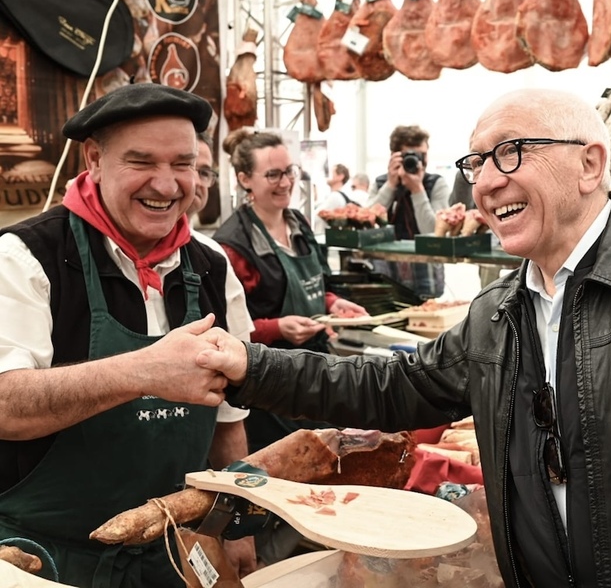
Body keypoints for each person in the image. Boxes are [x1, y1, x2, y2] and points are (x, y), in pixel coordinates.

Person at [197, 88, 611, 587]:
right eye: (476, 161)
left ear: (590, 164)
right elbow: (390, 386)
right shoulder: (498, 312)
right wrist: (248, 365)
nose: (487, 181)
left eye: (511, 152)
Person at [0, 83, 255, 586]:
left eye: (183, 164)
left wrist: (237, 524)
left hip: (175, 552)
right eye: (141, 162)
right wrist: (143, 372)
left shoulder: (212, 265)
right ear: (94, 160)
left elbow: (228, 421)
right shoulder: (25, 258)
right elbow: (6, 405)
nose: (166, 185)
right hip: (47, 560)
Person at [211, 129, 367, 566]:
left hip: (316, 365)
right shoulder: (232, 243)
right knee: (281, 484)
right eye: (273, 175)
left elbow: (319, 283)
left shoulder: (298, 222)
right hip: (270, 383)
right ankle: (266, 565)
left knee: (320, 474)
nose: (285, 183)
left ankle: (316, 555)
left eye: (289, 172)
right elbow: (229, 329)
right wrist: (277, 328)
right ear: (245, 179)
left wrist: (333, 304)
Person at [366, 125, 449, 299]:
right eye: (410, 156)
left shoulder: (436, 183)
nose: (418, 162)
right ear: (394, 156)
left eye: (422, 155)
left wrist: (417, 189)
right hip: (386, 268)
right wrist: (390, 185)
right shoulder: (381, 183)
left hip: (426, 268)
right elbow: (367, 222)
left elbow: (434, 231)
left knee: (428, 313)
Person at [313, 163, 356, 234]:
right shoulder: (340, 196)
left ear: (341, 176)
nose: (327, 175)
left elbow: (315, 217)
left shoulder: (335, 196)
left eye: (331, 172)